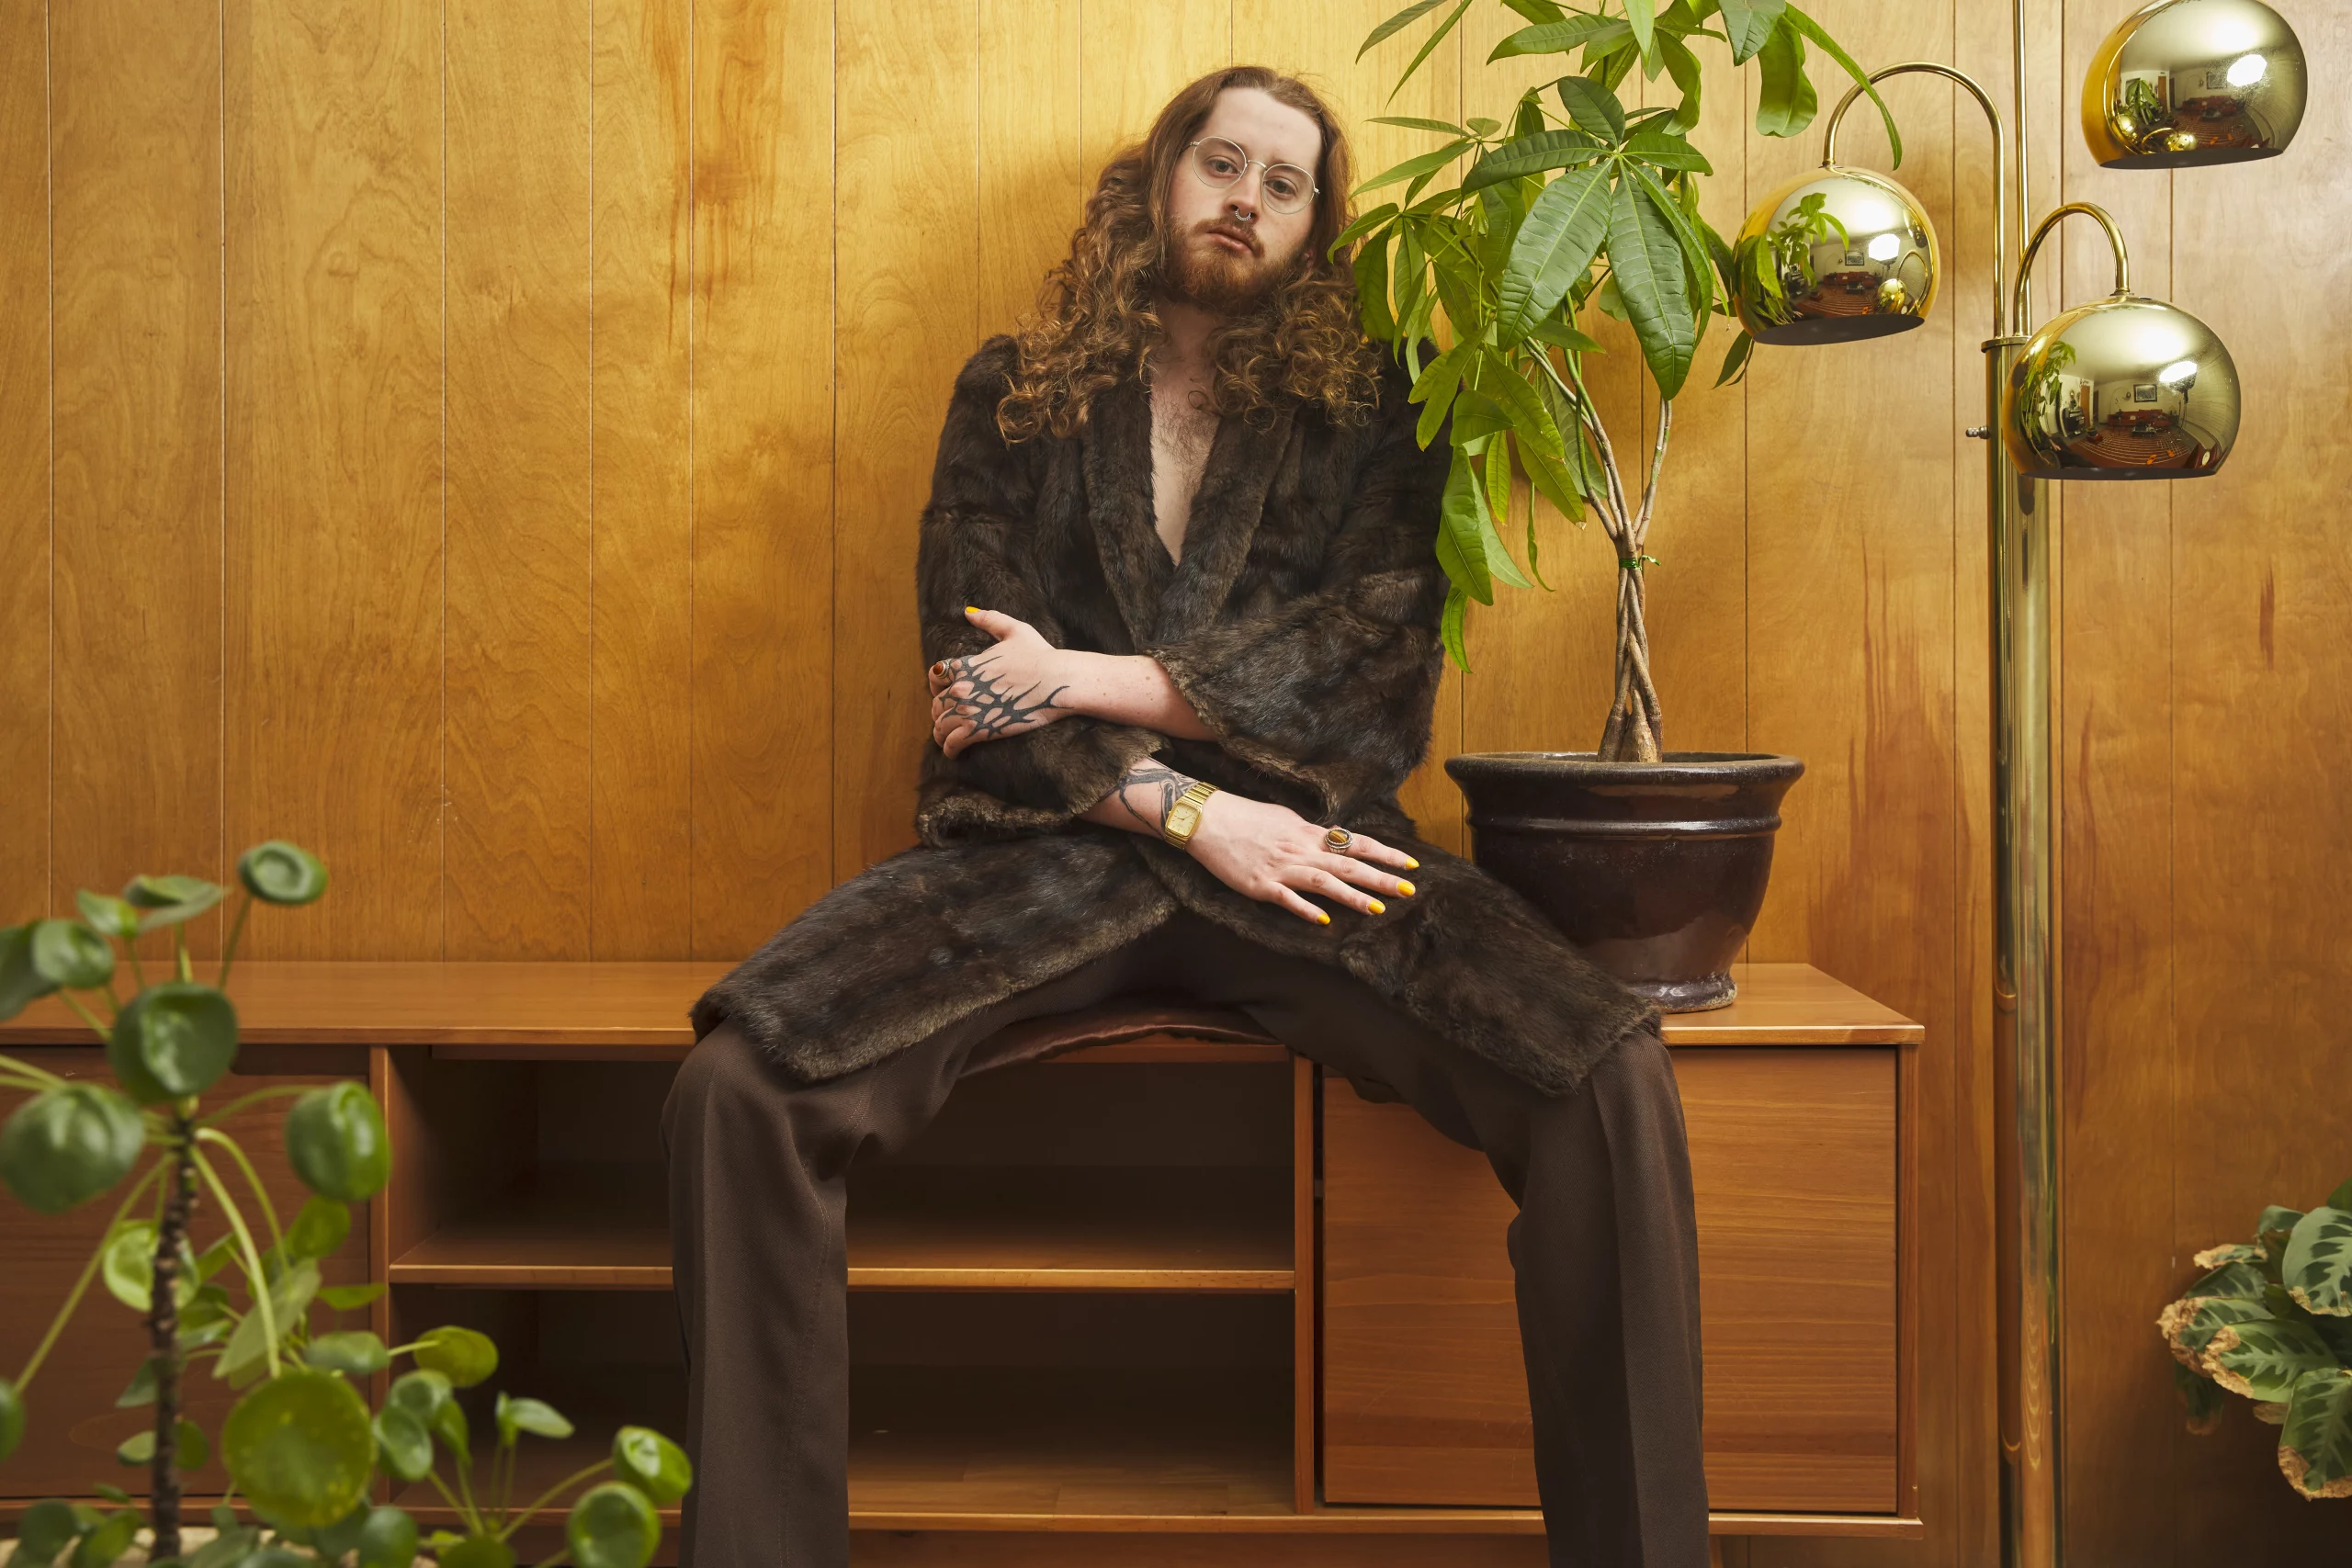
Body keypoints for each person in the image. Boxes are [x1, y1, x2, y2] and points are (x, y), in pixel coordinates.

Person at [662, 64, 1708, 1568]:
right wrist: (1191, 810)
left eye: (1286, 184)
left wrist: (1084, 678)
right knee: (738, 1086)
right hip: (1058, 852)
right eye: (1223, 162)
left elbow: (1370, 671)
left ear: (1317, 225)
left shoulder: (1376, 405)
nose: (1246, 199)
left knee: (1606, 1069)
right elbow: (969, 681)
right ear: (1159, 176)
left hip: (1309, 854)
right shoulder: (1014, 392)